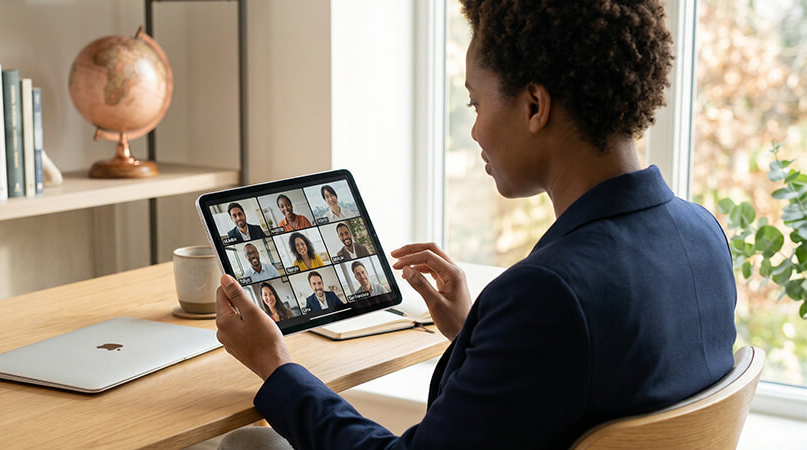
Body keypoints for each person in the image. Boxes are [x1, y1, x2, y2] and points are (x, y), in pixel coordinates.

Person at [214, 1, 736, 448]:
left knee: (245, 443)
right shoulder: (702, 235)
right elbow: (589, 385)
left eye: (475, 101)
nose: (475, 129)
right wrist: (475, 334)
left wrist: (276, 366)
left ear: (535, 105)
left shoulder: (547, 295)